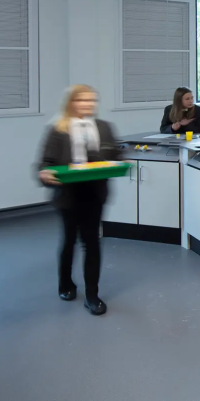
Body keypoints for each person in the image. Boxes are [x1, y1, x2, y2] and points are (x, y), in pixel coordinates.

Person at [37, 85, 122, 316]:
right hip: (67, 195)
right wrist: (45, 173)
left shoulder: (105, 128)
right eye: (81, 100)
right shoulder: (58, 129)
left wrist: (117, 163)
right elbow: (45, 162)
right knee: (69, 241)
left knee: (91, 242)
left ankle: (92, 295)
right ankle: (65, 284)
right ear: (71, 102)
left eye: (91, 100)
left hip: (94, 194)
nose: (87, 104)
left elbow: (116, 154)